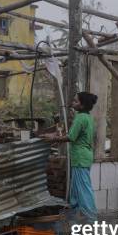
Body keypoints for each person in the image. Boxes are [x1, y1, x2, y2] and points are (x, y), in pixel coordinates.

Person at [44, 91, 98, 219]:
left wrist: (53, 139)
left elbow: (71, 137)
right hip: (84, 156)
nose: (73, 103)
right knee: (75, 190)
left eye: (76, 101)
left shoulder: (80, 118)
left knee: (84, 190)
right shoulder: (88, 117)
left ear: (82, 105)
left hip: (80, 158)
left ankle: (91, 220)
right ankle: (75, 219)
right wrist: (56, 136)